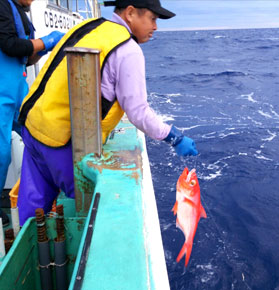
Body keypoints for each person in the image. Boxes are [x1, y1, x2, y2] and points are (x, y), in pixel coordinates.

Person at [17, 0, 199, 225]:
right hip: (63, 143)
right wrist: (174, 137)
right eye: (152, 19)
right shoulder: (127, 48)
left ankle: (27, 252)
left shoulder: (87, 26)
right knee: (88, 214)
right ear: (131, 12)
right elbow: (138, 111)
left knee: (32, 212)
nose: (156, 27)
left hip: (32, 126)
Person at [0, 0, 64, 226]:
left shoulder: (22, 14)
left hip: (19, 91)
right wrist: (45, 41)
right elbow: (9, 45)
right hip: (2, 92)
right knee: (2, 153)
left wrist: (43, 48)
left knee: (39, 136)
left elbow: (26, 57)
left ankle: (52, 190)